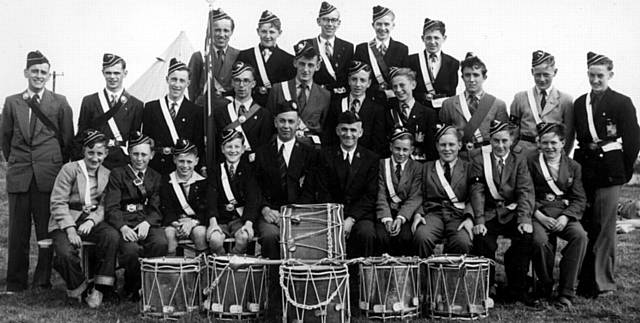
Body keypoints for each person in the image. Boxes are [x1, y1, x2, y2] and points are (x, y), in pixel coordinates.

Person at [1, 50, 74, 292]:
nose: (39, 76)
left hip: (48, 176)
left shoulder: (60, 102)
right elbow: (6, 138)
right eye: (35, 71)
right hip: (20, 175)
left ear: (48, 74)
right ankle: (15, 282)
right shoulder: (12, 102)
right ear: (26, 73)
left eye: (44, 72)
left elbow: (67, 140)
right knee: (18, 231)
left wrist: (52, 164)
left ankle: (43, 280)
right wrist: (17, 161)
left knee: (46, 229)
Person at [574, 52, 640, 298]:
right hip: (586, 170)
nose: (595, 80)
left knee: (605, 228)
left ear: (610, 75)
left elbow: (633, 141)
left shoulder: (622, 102)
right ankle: (585, 278)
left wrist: (622, 171)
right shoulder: (580, 103)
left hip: (610, 171)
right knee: (587, 223)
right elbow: (579, 138)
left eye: (600, 75)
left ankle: (604, 283)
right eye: (591, 75)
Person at [48, 129, 119, 307]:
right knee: (65, 253)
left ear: (106, 154)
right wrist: (70, 229)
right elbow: (58, 202)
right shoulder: (69, 169)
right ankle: (81, 288)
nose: (95, 158)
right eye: (91, 153)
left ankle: (101, 288)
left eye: (100, 154)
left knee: (111, 236)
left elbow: (104, 205)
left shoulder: (107, 174)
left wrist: (91, 220)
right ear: (84, 152)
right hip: (65, 219)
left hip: (92, 219)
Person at [470, 120, 536, 305]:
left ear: (512, 140)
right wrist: (479, 220)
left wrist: (524, 219)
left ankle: (517, 288)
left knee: (525, 237)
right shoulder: (479, 159)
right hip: (489, 213)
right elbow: (477, 191)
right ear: (490, 140)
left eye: (504, 141)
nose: (500, 145)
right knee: (482, 240)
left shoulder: (519, 159)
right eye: (496, 140)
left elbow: (525, 190)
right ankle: (486, 288)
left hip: (512, 212)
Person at [528, 122, 587, 308]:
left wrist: (566, 217)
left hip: (563, 213)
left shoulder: (574, 166)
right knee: (538, 240)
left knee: (580, 236)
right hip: (538, 213)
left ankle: (566, 291)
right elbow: (524, 193)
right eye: (545, 143)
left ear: (563, 143)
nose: (549, 147)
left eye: (554, 143)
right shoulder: (530, 162)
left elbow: (579, 198)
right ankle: (544, 286)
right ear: (539, 144)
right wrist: (539, 216)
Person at [104, 132, 168, 301]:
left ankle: (149, 286)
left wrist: (148, 222)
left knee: (160, 243)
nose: (139, 159)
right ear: (129, 153)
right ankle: (132, 286)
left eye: (144, 154)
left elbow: (157, 207)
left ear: (152, 155)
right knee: (131, 251)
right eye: (135, 154)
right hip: (124, 222)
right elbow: (111, 207)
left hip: (145, 221)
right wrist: (122, 227)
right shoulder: (118, 174)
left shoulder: (156, 177)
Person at [253, 100, 319, 260]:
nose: (286, 126)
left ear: (298, 124)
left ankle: (298, 282)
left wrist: (292, 214)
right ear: (275, 122)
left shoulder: (309, 153)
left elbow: (311, 189)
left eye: (291, 121)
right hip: (270, 214)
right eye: (282, 121)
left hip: (298, 214)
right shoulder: (262, 152)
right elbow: (255, 187)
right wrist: (265, 209)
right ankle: (274, 283)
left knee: (305, 239)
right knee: (270, 236)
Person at [317, 111, 379, 258]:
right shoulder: (325, 155)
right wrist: (337, 220)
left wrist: (351, 219)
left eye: (353, 130)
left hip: (360, 215)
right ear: (337, 131)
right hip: (332, 214)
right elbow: (322, 190)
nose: (348, 134)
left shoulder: (371, 158)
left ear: (361, 132)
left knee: (366, 233)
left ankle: (363, 277)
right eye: (344, 129)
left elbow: (370, 195)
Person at [413, 125, 474, 258]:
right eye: (443, 145)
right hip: (433, 214)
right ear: (437, 146)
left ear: (459, 145)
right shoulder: (427, 168)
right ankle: (424, 278)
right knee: (421, 237)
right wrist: (418, 214)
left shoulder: (469, 168)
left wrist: (469, 218)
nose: (447, 149)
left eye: (451, 144)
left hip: (458, 215)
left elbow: (474, 197)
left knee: (462, 241)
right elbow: (418, 194)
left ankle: (453, 279)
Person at [76, 53, 144, 169]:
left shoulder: (136, 104)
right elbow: (81, 135)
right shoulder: (90, 101)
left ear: (125, 73)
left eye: (117, 73)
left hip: (121, 160)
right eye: (108, 73)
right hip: (95, 159)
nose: (112, 77)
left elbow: (134, 140)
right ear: (103, 73)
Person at [142, 58, 204, 175]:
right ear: (167, 80)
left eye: (182, 81)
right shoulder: (151, 108)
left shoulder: (196, 111)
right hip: (156, 168)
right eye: (174, 79)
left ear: (188, 83)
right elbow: (146, 143)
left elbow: (198, 146)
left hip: (183, 169)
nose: (177, 85)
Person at [439, 53, 508, 158]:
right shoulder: (449, 104)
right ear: (462, 77)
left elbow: (503, 137)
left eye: (476, 75)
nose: (471, 80)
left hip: (486, 157)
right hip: (458, 158)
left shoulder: (497, 104)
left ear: (484, 77)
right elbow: (443, 136)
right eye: (467, 75)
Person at [266, 40, 331, 147]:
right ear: (295, 63)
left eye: (310, 65)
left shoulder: (325, 95)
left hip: (310, 151)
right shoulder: (279, 89)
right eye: (302, 64)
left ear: (318, 66)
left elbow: (323, 129)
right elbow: (268, 126)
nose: (305, 69)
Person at [510, 50, 574, 155]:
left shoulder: (565, 100)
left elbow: (569, 133)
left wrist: (562, 156)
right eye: (538, 75)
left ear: (555, 72)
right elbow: (513, 131)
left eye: (546, 75)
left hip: (551, 153)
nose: (542, 79)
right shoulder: (520, 98)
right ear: (532, 72)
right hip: (524, 154)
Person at [207, 129, 259, 255]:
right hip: (221, 219)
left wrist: (248, 224)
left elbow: (253, 198)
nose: (233, 150)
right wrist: (213, 223)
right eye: (229, 147)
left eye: (237, 146)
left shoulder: (249, 170)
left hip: (240, 219)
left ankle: (233, 261)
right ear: (222, 149)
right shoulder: (215, 170)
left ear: (243, 149)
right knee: (215, 240)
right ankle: (222, 262)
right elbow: (211, 198)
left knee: (243, 238)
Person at [211, 61, 273, 163]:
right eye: (237, 80)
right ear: (232, 83)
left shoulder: (264, 115)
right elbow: (216, 146)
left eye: (246, 81)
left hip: (252, 170)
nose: (241, 85)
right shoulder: (220, 113)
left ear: (253, 84)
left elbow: (264, 150)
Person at [324, 60, 390, 157]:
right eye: (354, 79)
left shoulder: (376, 109)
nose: (358, 84)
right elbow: (328, 136)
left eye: (363, 80)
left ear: (369, 83)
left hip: (364, 161)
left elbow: (377, 143)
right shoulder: (336, 105)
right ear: (349, 80)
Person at [375, 127, 422, 256]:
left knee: (406, 237)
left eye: (405, 150)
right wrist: (387, 218)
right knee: (381, 237)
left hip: (406, 214)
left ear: (411, 150)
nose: (401, 153)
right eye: (397, 149)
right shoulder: (381, 165)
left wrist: (401, 218)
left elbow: (415, 196)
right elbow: (380, 194)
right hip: (385, 212)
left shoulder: (417, 168)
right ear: (391, 147)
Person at [236, 10, 296, 107]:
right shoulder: (245, 55)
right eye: (264, 31)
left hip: (277, 106)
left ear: (279, 33)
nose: (268, 36)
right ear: (258, 31)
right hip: (251, 107)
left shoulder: (288, 59)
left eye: (272, 32)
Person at [159, 139, 208, 255]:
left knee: (200, 234)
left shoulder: (203, 182)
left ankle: (202, 269)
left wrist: (192, 223)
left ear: (196, 161)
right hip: (174, 223)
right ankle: (173, 270)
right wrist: (177, 224)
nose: (185, 166)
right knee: (169, 235)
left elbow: (207, 209)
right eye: (181, 161)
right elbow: (166, 208)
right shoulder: (166, 182)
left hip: (196, 223)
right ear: (174, 160)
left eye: (189, 162)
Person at [353, 5, 408, 102]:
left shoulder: (401, 49)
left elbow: (404, 79)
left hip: (393, 100)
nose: (382, 28)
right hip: (370, 99)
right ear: (373, 25)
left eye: (386, 24)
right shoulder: (362, 49)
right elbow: (359, 78)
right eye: (379, 24)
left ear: (393, 25)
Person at [299, 1, 354, 96]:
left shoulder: (348, 47)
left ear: (338, 23)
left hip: (339, 97)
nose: (330, 24)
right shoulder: (307, 44)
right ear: (318, 21)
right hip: (315, 96)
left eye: (333, 20)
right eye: (325, 19)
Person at [188, 8, 240, 102]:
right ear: (210, 31)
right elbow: (192, 90)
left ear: (231, 32)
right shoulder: (199, 57)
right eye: (217, 30)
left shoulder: (238, 55)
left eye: (226, 30)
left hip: (229, 109)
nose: (221, 34)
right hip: (205, 108)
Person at [408, 18, 459, 110]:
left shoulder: (453, 63)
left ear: (444, 38)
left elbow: (452, 94)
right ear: (422, 38)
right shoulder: (411, 61)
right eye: (428, 38)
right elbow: (408, 90)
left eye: (436, 38)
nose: (432, 42)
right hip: (419, 111)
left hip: (442, 112)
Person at [388, 67, 438, 161]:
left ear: (413, 85)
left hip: (419, 166)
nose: (398, 90)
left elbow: (431, 148)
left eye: (402, 85)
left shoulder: (428, 113)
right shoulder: (388, 112)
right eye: (395, 86)